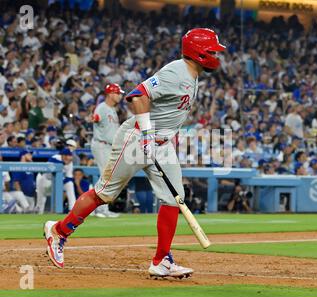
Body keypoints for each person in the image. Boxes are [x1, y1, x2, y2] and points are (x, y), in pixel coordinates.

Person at [43, 28, 226, 278]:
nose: (217, 54)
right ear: (199, 52)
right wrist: (149, 135)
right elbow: (137, 95)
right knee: (104, 193)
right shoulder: (176, 71)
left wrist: (160, 138)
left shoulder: (193, 75)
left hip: (161, 143)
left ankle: (162, 260)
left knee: (174, 199)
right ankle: (59, 232)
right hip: (138, 137)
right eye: (213, 50)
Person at [90, 83, 123, 218]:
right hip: (101, 145)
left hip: (109, 146)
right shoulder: (102, 108)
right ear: (110, 94)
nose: (120, 96)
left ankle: (92, 207)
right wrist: (94, 117)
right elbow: (95, 118)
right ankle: (102, 209)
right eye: (118, 93)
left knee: (106, 177)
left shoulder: (112, 109)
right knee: (106, 177)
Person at [36, 148, 75, 214]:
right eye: (64, 155)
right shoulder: (55, 158)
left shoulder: (70, 163)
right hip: (44, 179)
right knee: (41, 200)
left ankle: (72, 209)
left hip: (56, 182)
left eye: (68, 155)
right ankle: (38, 213)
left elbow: (69, 178)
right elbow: (52, 166)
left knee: (70, 184)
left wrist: (62, 184)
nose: (66, 157)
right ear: (61, 155)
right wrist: (64, 163)